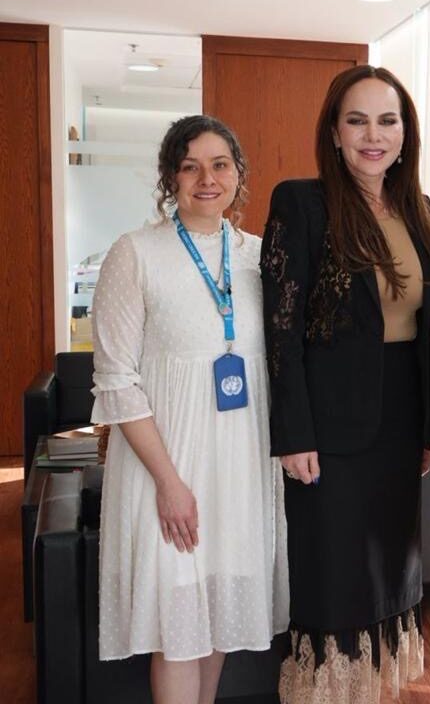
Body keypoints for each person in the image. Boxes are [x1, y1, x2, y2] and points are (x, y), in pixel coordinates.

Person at [260, 65, 430, 704]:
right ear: (334, 132)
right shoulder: (302, 203)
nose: (374, 135)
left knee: (388, 575)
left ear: (405, 132)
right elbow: (280, 329)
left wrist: (428, 427)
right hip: (330, 429)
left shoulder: (418, 209)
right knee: (334, 579)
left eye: (387, 121)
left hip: (400, 422)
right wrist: (294, 433)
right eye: (357, 121)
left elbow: (427, 330)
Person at [92, 115, 289, 704]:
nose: (207, 179)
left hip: (240, 466)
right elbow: (117, 381)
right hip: (167, 466)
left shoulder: (260, 257)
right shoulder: (135, 253)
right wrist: (168, 482)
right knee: (176, 629)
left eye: (219, 165)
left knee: (217, 618)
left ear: (238, 175)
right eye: (190, 166)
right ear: (170, 177)